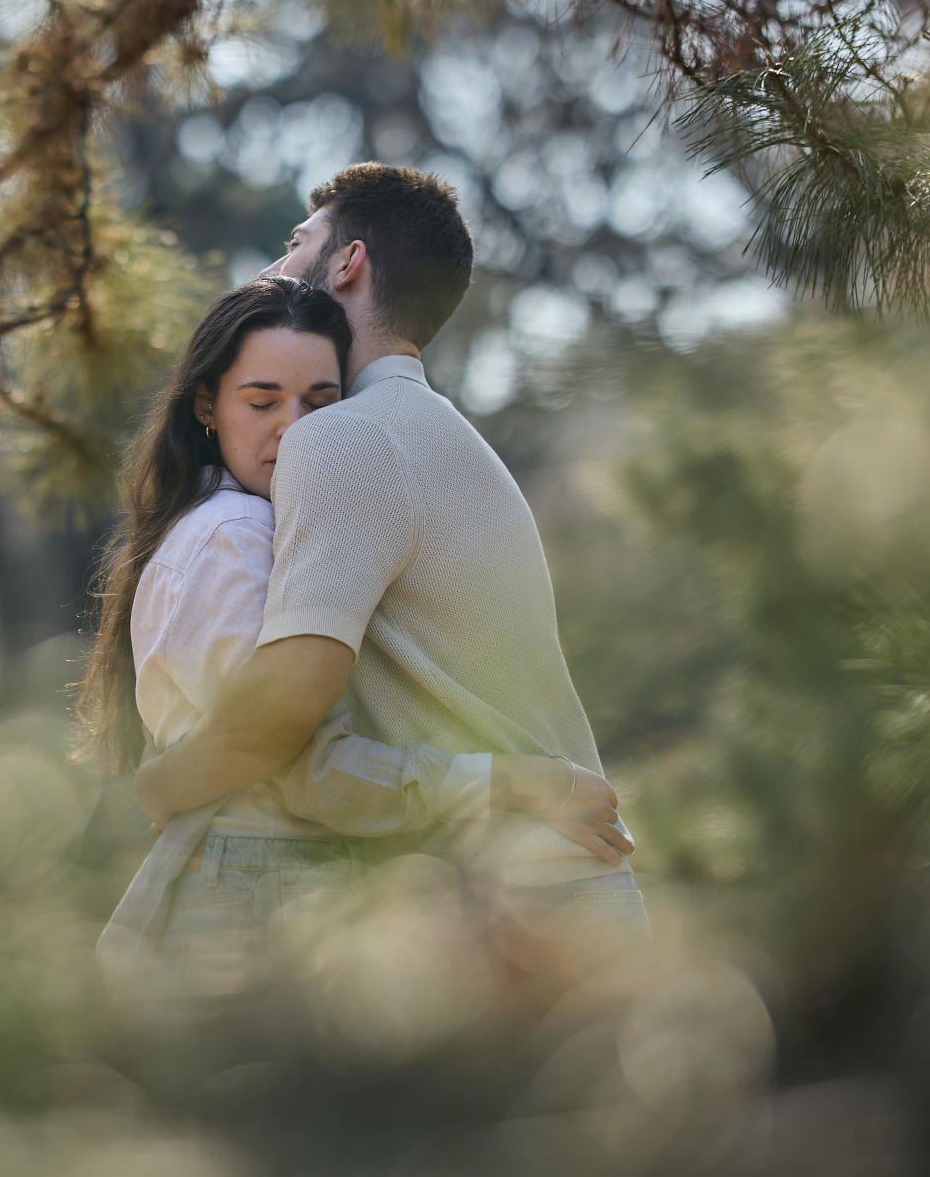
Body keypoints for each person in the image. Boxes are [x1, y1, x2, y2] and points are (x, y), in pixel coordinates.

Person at [131, 164, 648, 973]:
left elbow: (281, 716)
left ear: (347, 264)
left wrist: (153, 790)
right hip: (567, 887)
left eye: (293, 245)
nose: (271, 269)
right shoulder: (449, 441)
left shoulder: (342, 441)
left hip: (530, 905)